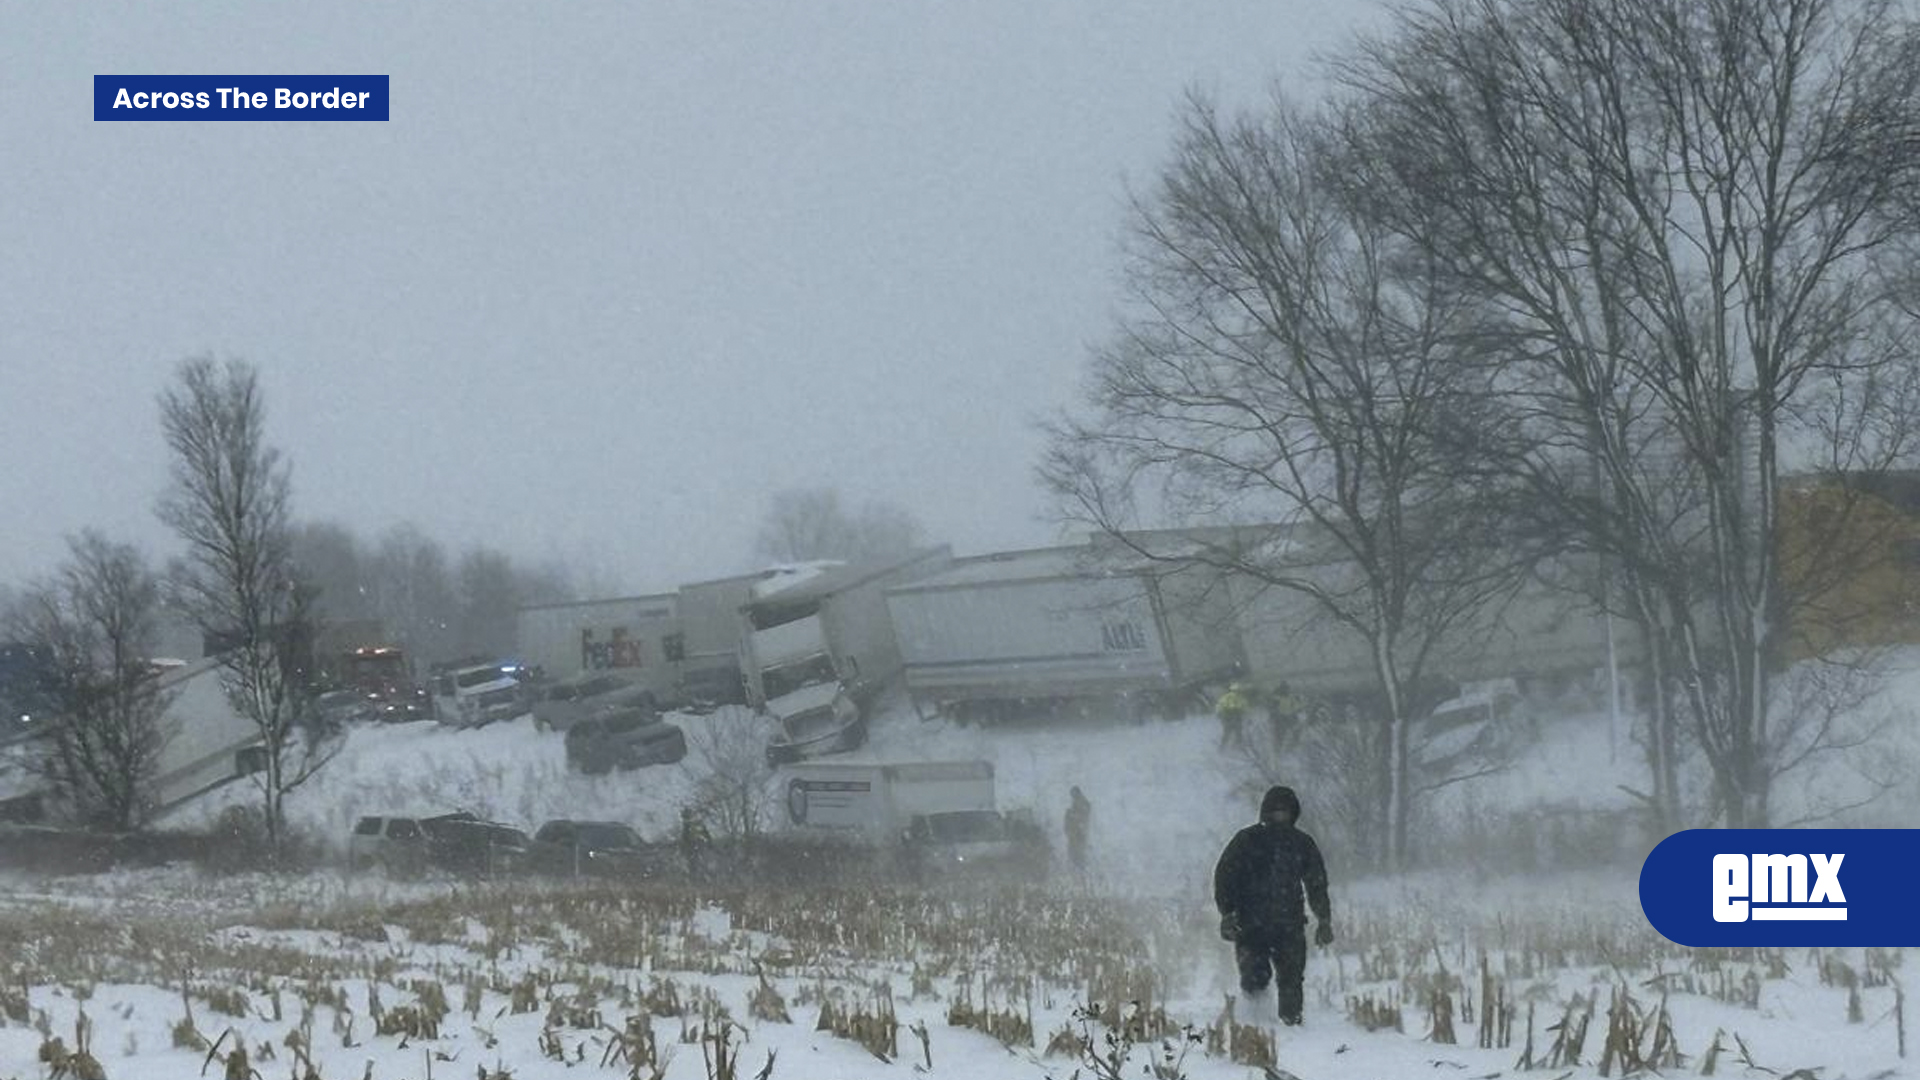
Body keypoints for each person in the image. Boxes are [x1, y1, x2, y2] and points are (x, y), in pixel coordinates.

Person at [1212, 785, 1334, 1026]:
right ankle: (1255, 1025)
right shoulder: (1247, 840)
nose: (1279, 816)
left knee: (1291, 979)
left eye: (1285, 811)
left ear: (1293, 813)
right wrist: (1228, 914)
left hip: (1290, 925)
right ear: (1265, 812)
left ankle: (1292, 1026)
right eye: (1275, 811)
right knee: (1254, 978)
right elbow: (1225, 877)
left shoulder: (1302, 843)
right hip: (1250, 926)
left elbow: (1316, 883)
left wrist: (1324, 920)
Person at [679, 806, 712, 880]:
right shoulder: (689, 825)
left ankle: (698, 877)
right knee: (694, 863)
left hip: (697, 846)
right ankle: (696, 877)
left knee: (696, 863)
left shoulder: (691, 824)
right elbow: (684, 838)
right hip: (694, 847)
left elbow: (685, 838)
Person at [1064, 786, 1091, 874]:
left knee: (1077, 854)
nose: (1072, 796)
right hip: (1075, 833)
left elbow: (1082, 817)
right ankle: (1077, 870)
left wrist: (1070, 815)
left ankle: (1079, 871)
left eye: (1073, 794)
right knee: (1075, 853)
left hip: (1078, 833)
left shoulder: (1083, 803)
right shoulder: (1078, 803)